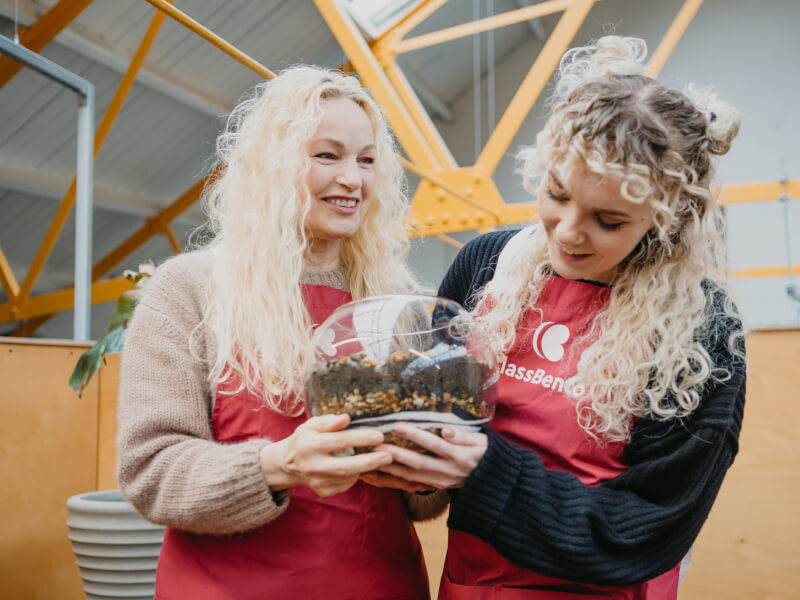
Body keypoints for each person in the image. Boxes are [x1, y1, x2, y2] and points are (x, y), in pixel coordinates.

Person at [373, 36, 747, 598]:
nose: (569, 232)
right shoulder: (485, 264)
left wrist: (481, 468)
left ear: (665, 217)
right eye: (556, 194)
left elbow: (643, 531)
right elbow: (431, 449)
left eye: (608, 220)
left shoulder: (701, 332)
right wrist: (408, 456)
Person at [116, 66, 448, 600]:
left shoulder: (396, 301)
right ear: (273, 165)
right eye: (327, 156)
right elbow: (150, 471)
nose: (353, 179)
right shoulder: (191, 289)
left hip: (378, 583)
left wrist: (431, 468)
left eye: (367, 160)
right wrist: (280, 464)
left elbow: (419, 499)